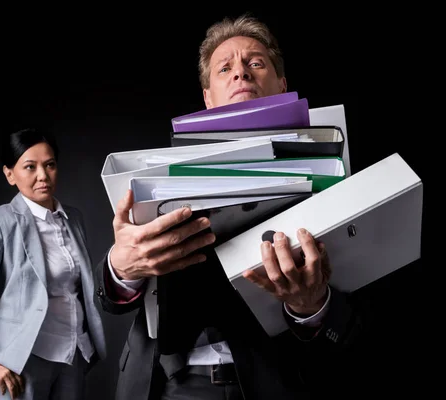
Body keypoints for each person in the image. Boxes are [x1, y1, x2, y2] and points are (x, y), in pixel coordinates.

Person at [94, 13, 372, 400]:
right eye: (224, 68)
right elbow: (109, 300)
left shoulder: (329, 167)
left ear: (282, 85)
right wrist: (122, 267)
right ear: (208, 98)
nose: (241, 73)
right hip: (164, 382)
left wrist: (311, 308)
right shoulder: (157, 178)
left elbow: (358, 299)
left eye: (255, 63)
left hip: (275, 381)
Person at [0, 127, 106, 400]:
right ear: (9, 174)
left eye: (50, 164)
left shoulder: (73, 218)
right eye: (30, 167)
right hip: (23, 363)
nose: (43, 175)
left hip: (74, 356)